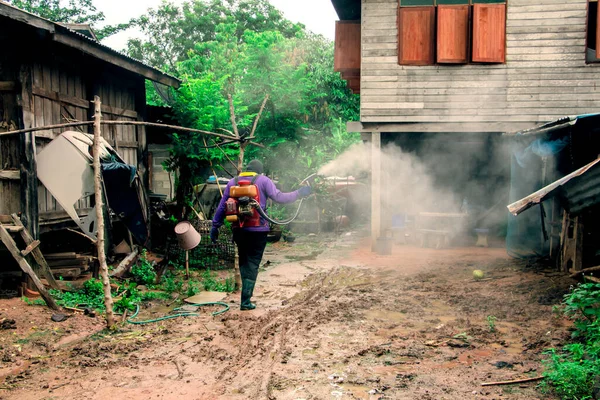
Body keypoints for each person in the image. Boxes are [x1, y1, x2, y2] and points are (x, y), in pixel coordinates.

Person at [210, 160, 311, 310]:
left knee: (244, 261)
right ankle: (245, 301)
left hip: (239, 230)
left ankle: (245, 297)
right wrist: (299, 193)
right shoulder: (263, 180)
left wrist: (215, 226)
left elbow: (222, 205)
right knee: (253, 263)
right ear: (259, 171)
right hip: (258, 230)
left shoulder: (233, 182)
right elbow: (280, 198)